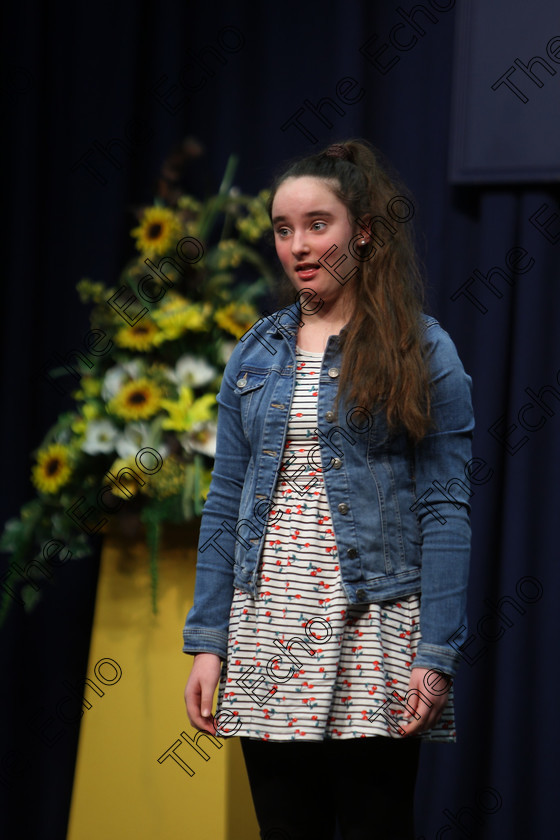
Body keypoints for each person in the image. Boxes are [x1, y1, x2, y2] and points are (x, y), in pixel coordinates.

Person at [182, 139, 474, 840]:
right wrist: (208, 641)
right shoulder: (254, 353)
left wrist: (435, 655)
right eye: (284, 229)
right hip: (267, 630)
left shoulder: (421, 350)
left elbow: (445, 510)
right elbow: (224, 502)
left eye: (318, 224)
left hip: (373, 629)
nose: (298, 245)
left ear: (363, 230)